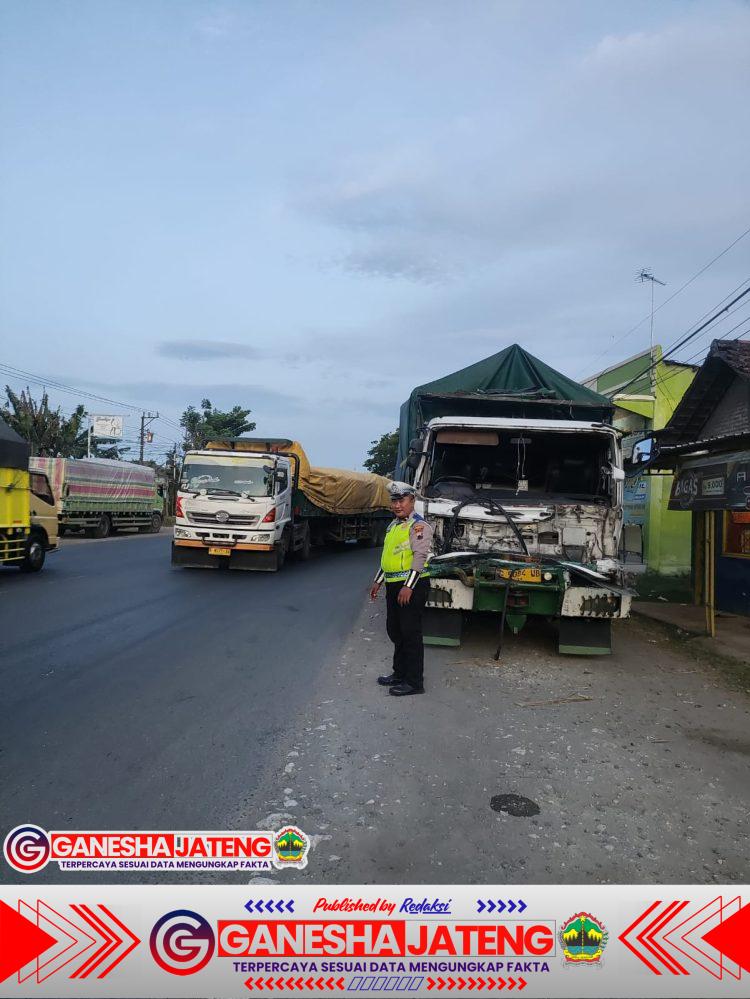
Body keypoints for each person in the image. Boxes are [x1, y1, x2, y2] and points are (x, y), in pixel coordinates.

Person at [369, 481, 433, 696]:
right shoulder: (394, 525)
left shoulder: (419, 526)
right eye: (394, 501)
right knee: (395, 630)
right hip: (394, 585)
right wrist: (378, 580)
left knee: (410, 633)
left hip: (412, 587)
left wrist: (408, 586)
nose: (397, 505)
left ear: (412, 501)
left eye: (401, 500)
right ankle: (399, 673)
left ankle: (414, 682)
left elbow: (420, 558)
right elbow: (388, 557)